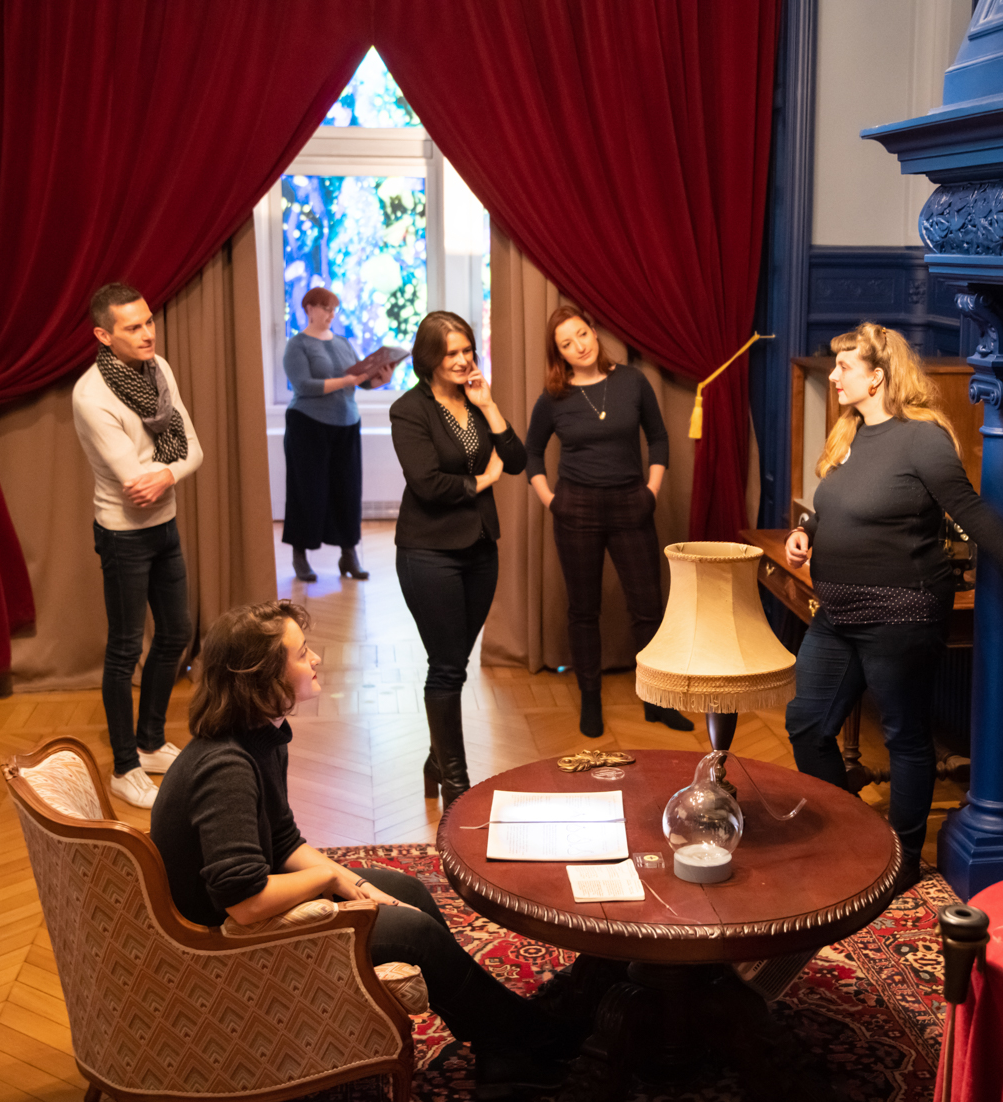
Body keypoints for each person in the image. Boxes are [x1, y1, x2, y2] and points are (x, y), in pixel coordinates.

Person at [149, 600, 568, 1097]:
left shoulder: (261, 737)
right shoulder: (225, 769)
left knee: (405, 891)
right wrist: (330, 880)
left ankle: (501, 1042)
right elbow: (244, 901)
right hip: (226, 943)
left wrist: (356, 884)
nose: (316, 660)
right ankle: (535, 1039)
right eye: (302, 654)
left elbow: (283, 842)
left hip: (253, 908)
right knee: (411, 931)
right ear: (263, 677)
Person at [783, 323, 1003, 890]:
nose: (833, 376)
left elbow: (971, 512)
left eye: (844, 367)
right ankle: (856, 833)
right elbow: (837, 503)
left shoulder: (921, 438)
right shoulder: (848, 430)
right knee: (806, 725)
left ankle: (899, 859)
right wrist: (807, 530)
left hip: (901, 612)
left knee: (905, 736)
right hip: (838, 612)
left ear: (877, 376)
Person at [525, 305, 694, 738]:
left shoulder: (632, 381)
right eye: (566, 343)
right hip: (575, 508)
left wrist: (651, 492)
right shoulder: (555, 397)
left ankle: (657, 702)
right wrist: (552, 501)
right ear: (558, 353)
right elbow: (532, 453)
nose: (579, 346)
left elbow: (658, 438)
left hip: (631, 504)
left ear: (594, 332)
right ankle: (590, 701)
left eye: (582, 334)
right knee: (584, 610)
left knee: (648, 608)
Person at [72, 282, 203, 809]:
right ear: (104, 335)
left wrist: (165, 474)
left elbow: (195, 448)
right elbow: (132, 481)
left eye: (148, 321)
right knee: (126, 648)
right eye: (133, 326)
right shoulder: (91, 395)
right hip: (123, 533)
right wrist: (169, 469)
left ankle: (150, 743)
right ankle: (124, 767)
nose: (148, 333)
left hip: (163, 524)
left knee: (176, 632)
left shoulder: (159, 369)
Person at [390, 312, 526, 803]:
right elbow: (426, 483)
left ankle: (435, 759)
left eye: (467, 349)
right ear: (429, 358)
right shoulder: (410, 410)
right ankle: (456, 782)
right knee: (446, 667)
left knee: (454, 663)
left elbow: (517, 459)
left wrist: (489, 407)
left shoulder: (475, 400)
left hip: (480, 548)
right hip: (429, 552)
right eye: (451, 352)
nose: (464, 359)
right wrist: (481, 483)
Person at [282, 286, 396, 583]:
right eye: (326, 309)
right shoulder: (297, 345)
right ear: (309, 309)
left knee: (348, 491)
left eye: (335, 309)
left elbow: (360, 381)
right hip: (308, 425)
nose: (332, 314)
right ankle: (300, 557)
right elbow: (304, 386)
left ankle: (349, 555)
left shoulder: (344, 342)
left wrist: (381, 379)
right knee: (308, 492)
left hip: (347, 424)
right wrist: (347, 379)